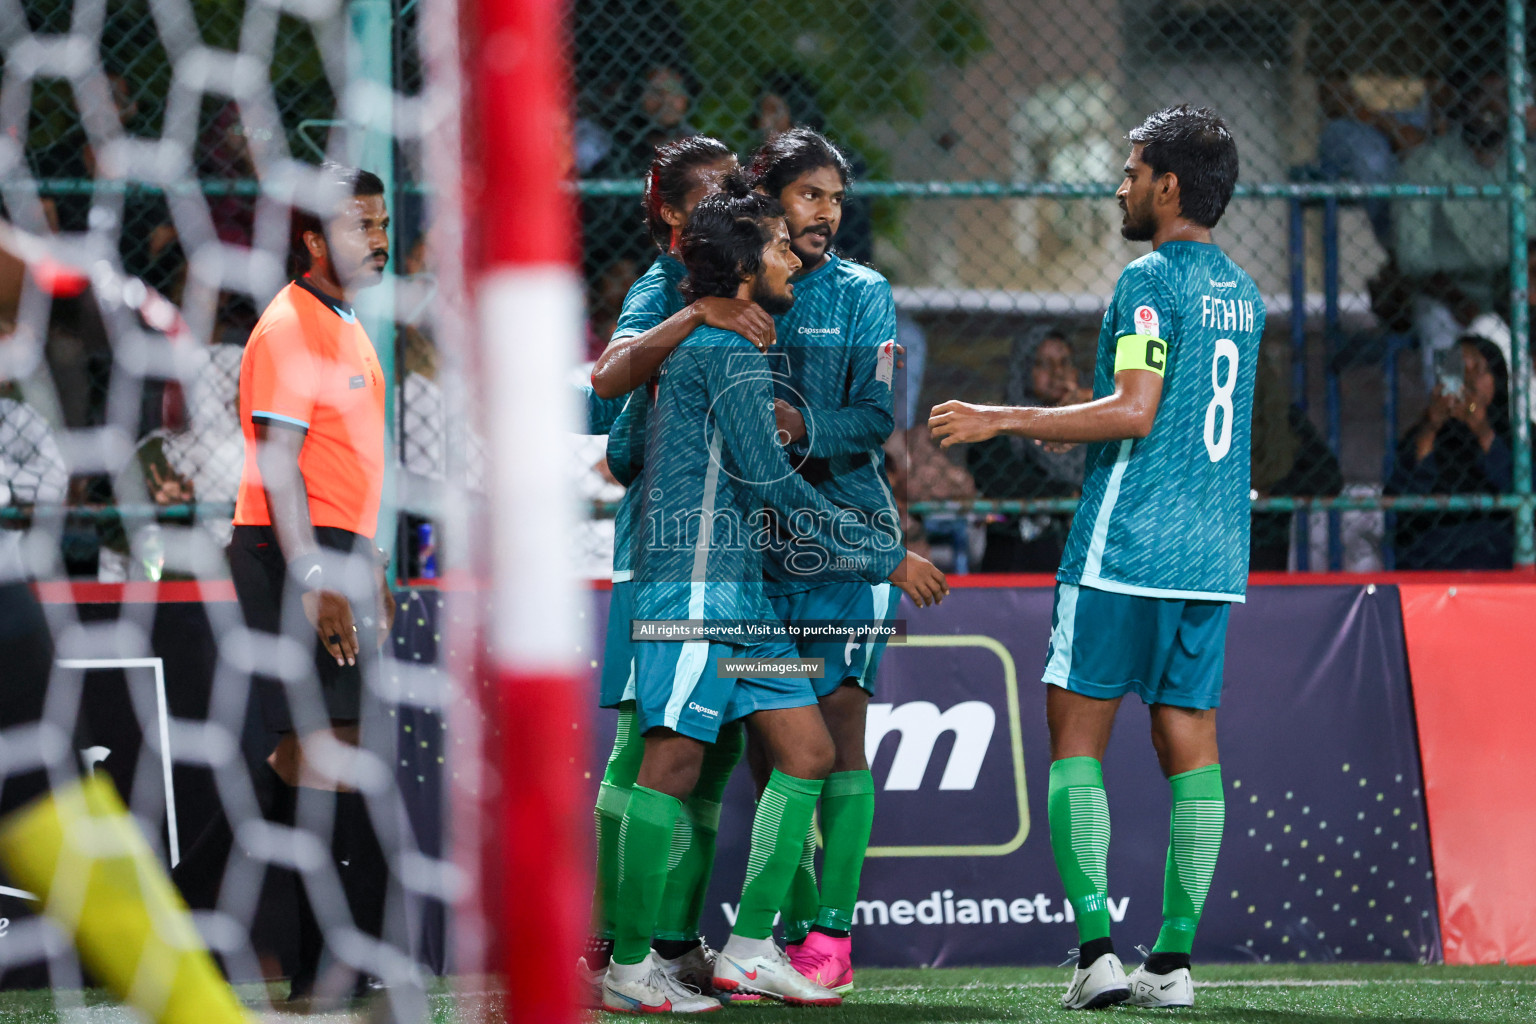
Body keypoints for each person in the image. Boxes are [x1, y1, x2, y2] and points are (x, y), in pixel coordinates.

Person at [930, 105, 1261, 1011]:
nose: (1119, 183)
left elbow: (1134, 409)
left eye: (1132, 169)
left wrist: (1005, 417)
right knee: (1191, 748)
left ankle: (1096, 954)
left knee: (1077, 745)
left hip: (1122, 550)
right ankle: (1175, 965)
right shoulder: (1245, 293)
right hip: (1211, 556)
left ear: (1170, 186)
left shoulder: (1149, 279)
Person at [600, 179, 945, 1014]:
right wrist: (885, 556)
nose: (796, 250)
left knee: (808, 752)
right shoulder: (718, 351)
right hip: (690, 590)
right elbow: (775, 488)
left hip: (743, 598)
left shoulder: (737, 347)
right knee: (671, 763)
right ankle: (627, 963)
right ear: (746, 266)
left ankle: (751, 951)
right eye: (780, 245)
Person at [171, 163, 400, 1006]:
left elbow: (342, 465)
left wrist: (367, 561)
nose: (376, 238)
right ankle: (324, 969)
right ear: (312, 238)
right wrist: (316, 574)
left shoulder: (344, 321)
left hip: (334, 550)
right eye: (356, 224)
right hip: (289, 550)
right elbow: (278, 464)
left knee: (305, 753)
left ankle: (190, 913)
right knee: (325, 752)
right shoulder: (289, 328)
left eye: (381, 222)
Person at [578, 135, 777, 1003]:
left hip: (729, 558)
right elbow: (611, 381)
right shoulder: (666, 291)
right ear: (667, 212)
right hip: (666, 553)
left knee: (713, 751)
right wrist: (697, 316)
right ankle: (609, 949)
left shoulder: (751, 280)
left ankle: (669, 938)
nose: (732, 200)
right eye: (713, 193)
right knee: (644, 749)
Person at [741, 126, 917, 992]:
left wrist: (802, 427)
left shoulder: (864, 294)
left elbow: (877, 420)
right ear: (769, 198)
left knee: (840, 739)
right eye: (811, 195)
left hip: (846, 547)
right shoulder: (744, 286)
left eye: (836, 198)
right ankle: (789, 929)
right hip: (755, 549)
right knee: (768, 754)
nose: (827, 214)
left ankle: (833, 941)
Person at [967, 326, 1091, 572]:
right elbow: (1001, 480)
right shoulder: (1000, 429)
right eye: (1043, 364)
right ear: (1024, 370)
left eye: (1064, 363)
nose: (1057, 373)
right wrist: (1069, 490)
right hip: (1020, 554)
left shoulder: (1095, 425)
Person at [1387, 333, 1514, 569]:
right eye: (1459, 369)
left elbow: (1517, 489)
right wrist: (1431, 428)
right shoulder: (1419, 436)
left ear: (1497, 379)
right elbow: (1400, 501)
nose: (1469, 380)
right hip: (1430, 562)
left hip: (1497, 561)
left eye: (1479, 370)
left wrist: (1484, 433)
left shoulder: (1520, 435)